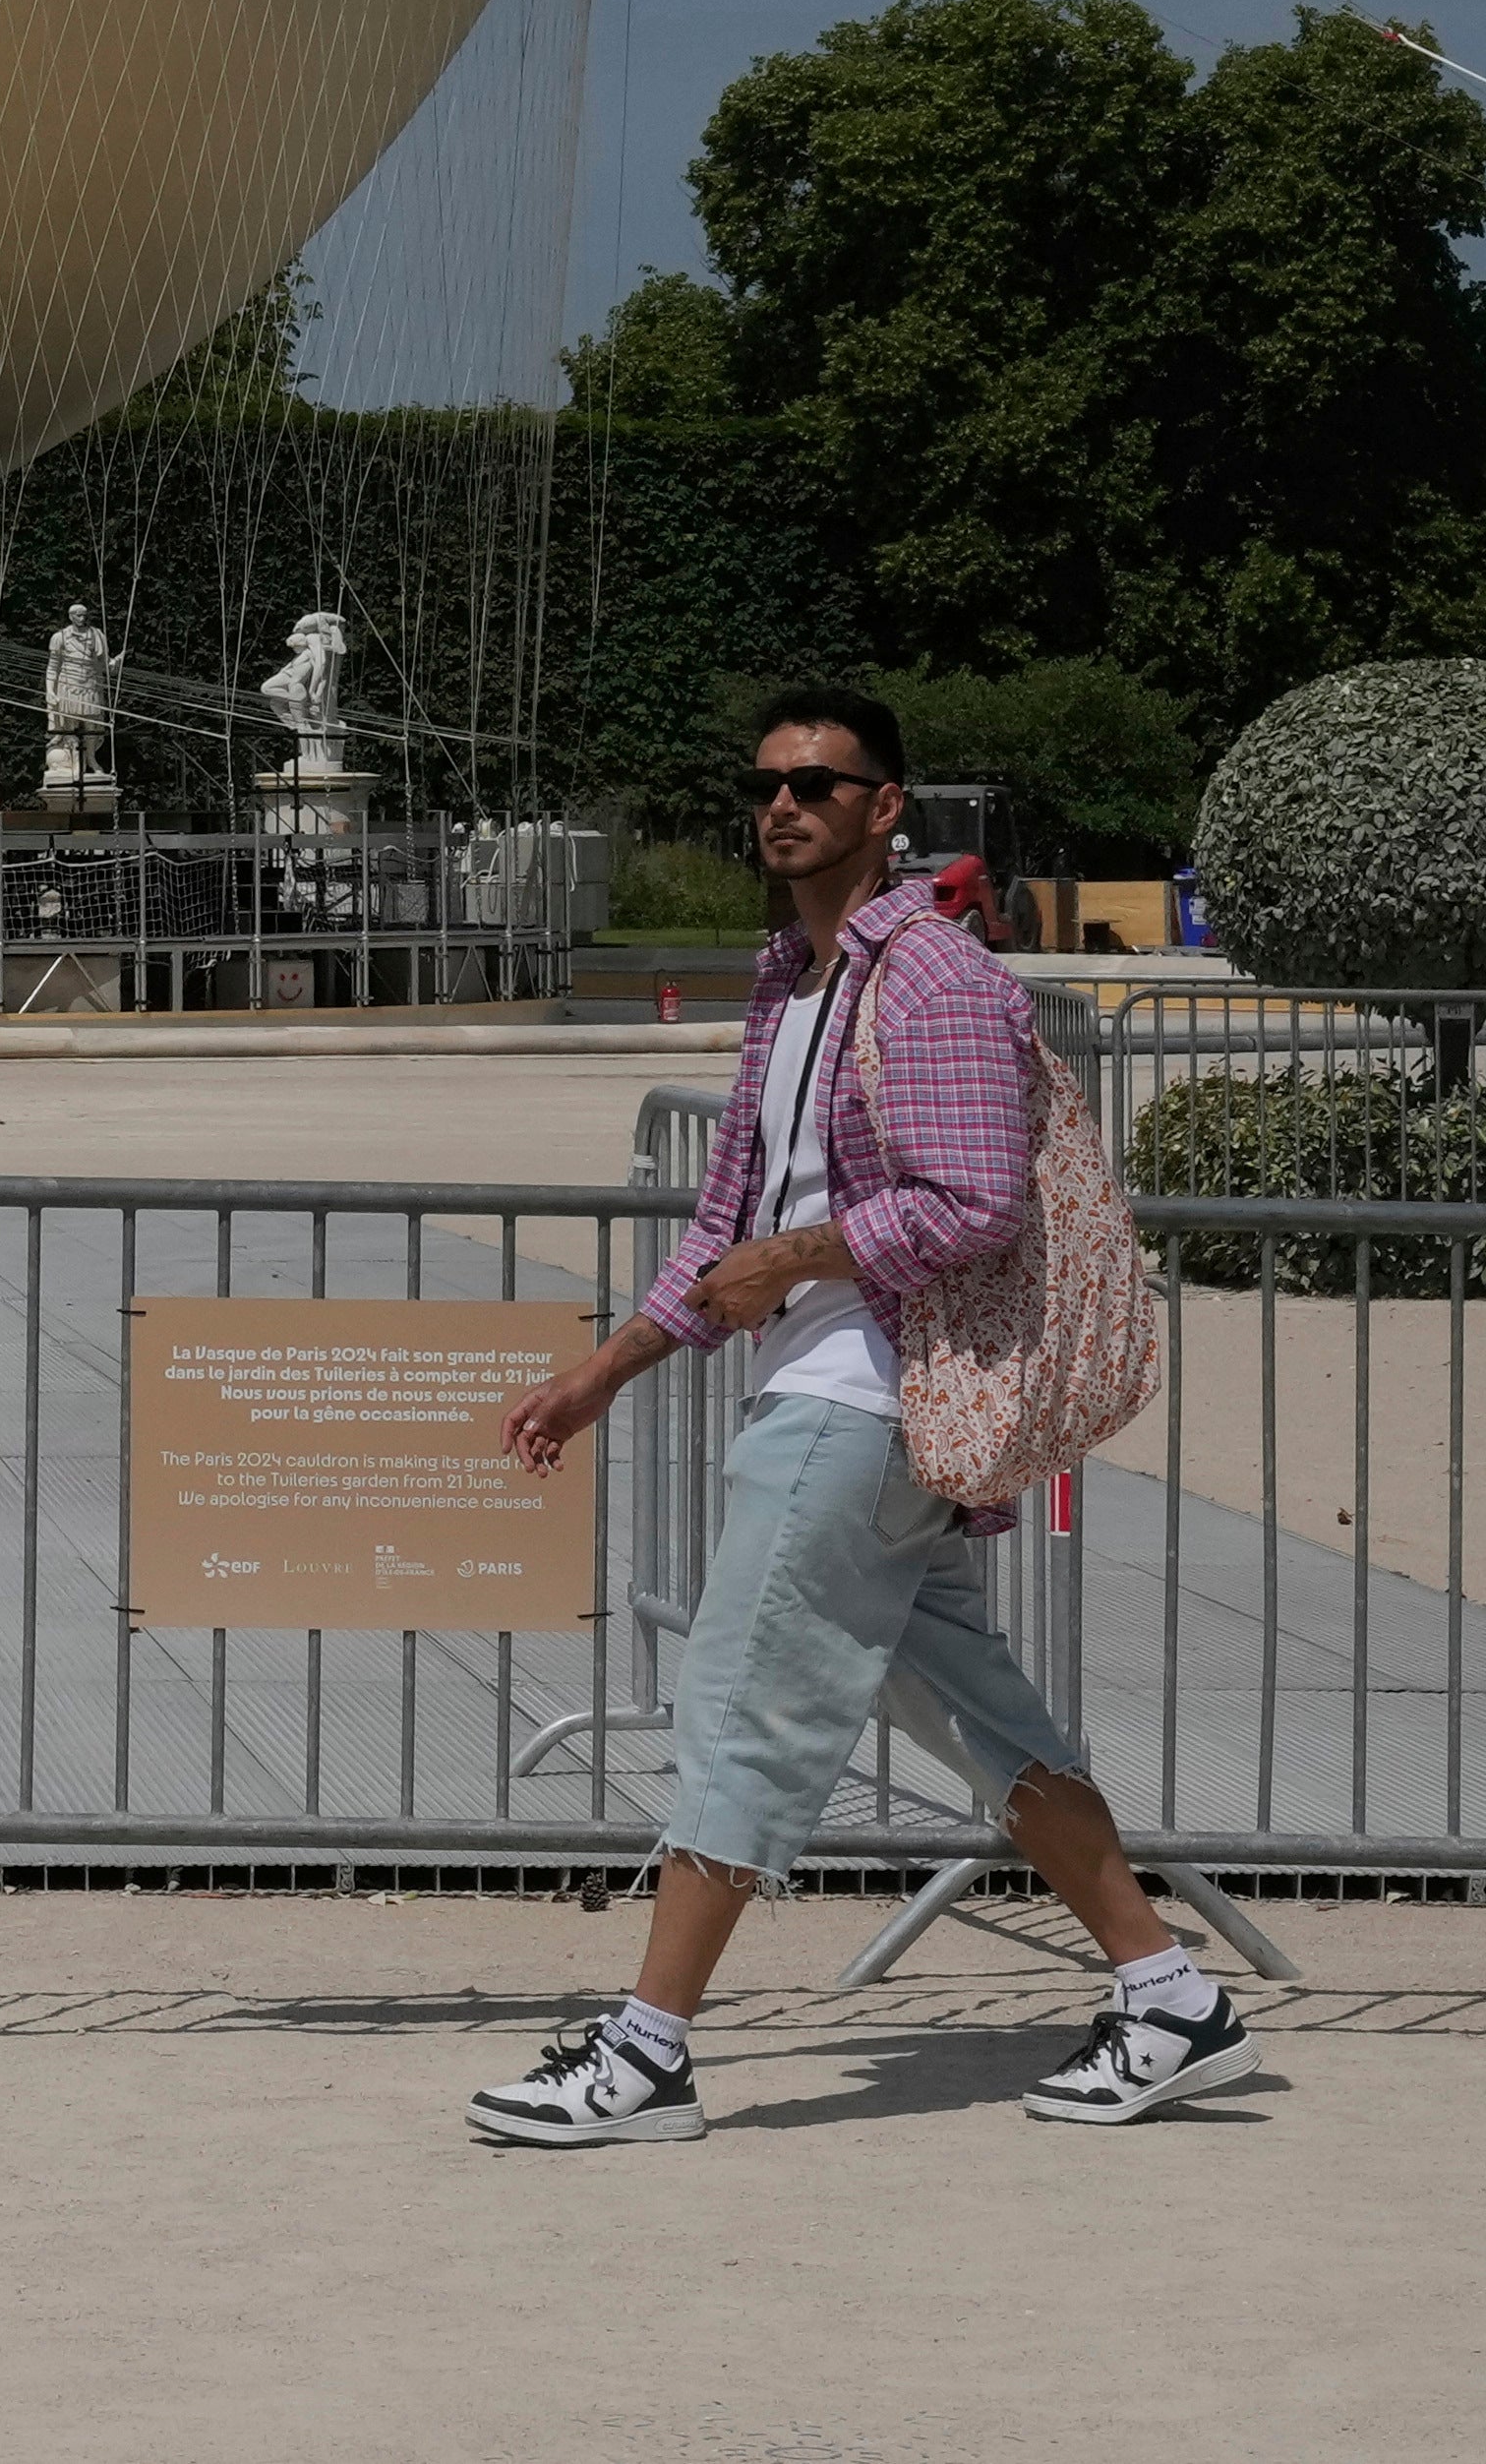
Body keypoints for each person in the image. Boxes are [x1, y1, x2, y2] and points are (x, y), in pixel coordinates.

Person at [466, 688, 1259, 2143]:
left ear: (886, 805)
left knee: (741, 1706)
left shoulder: (938, 978)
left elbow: (975, 1202)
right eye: (767, 781)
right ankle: (1172, 1998)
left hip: (866, 1397)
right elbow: (729, 1219)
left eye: (820, 782)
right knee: (981, 1718)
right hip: (831, 1389)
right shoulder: (789, 980)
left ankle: (646, 2055)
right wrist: (605, 1368)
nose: (786, 804)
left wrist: (804, 1257)